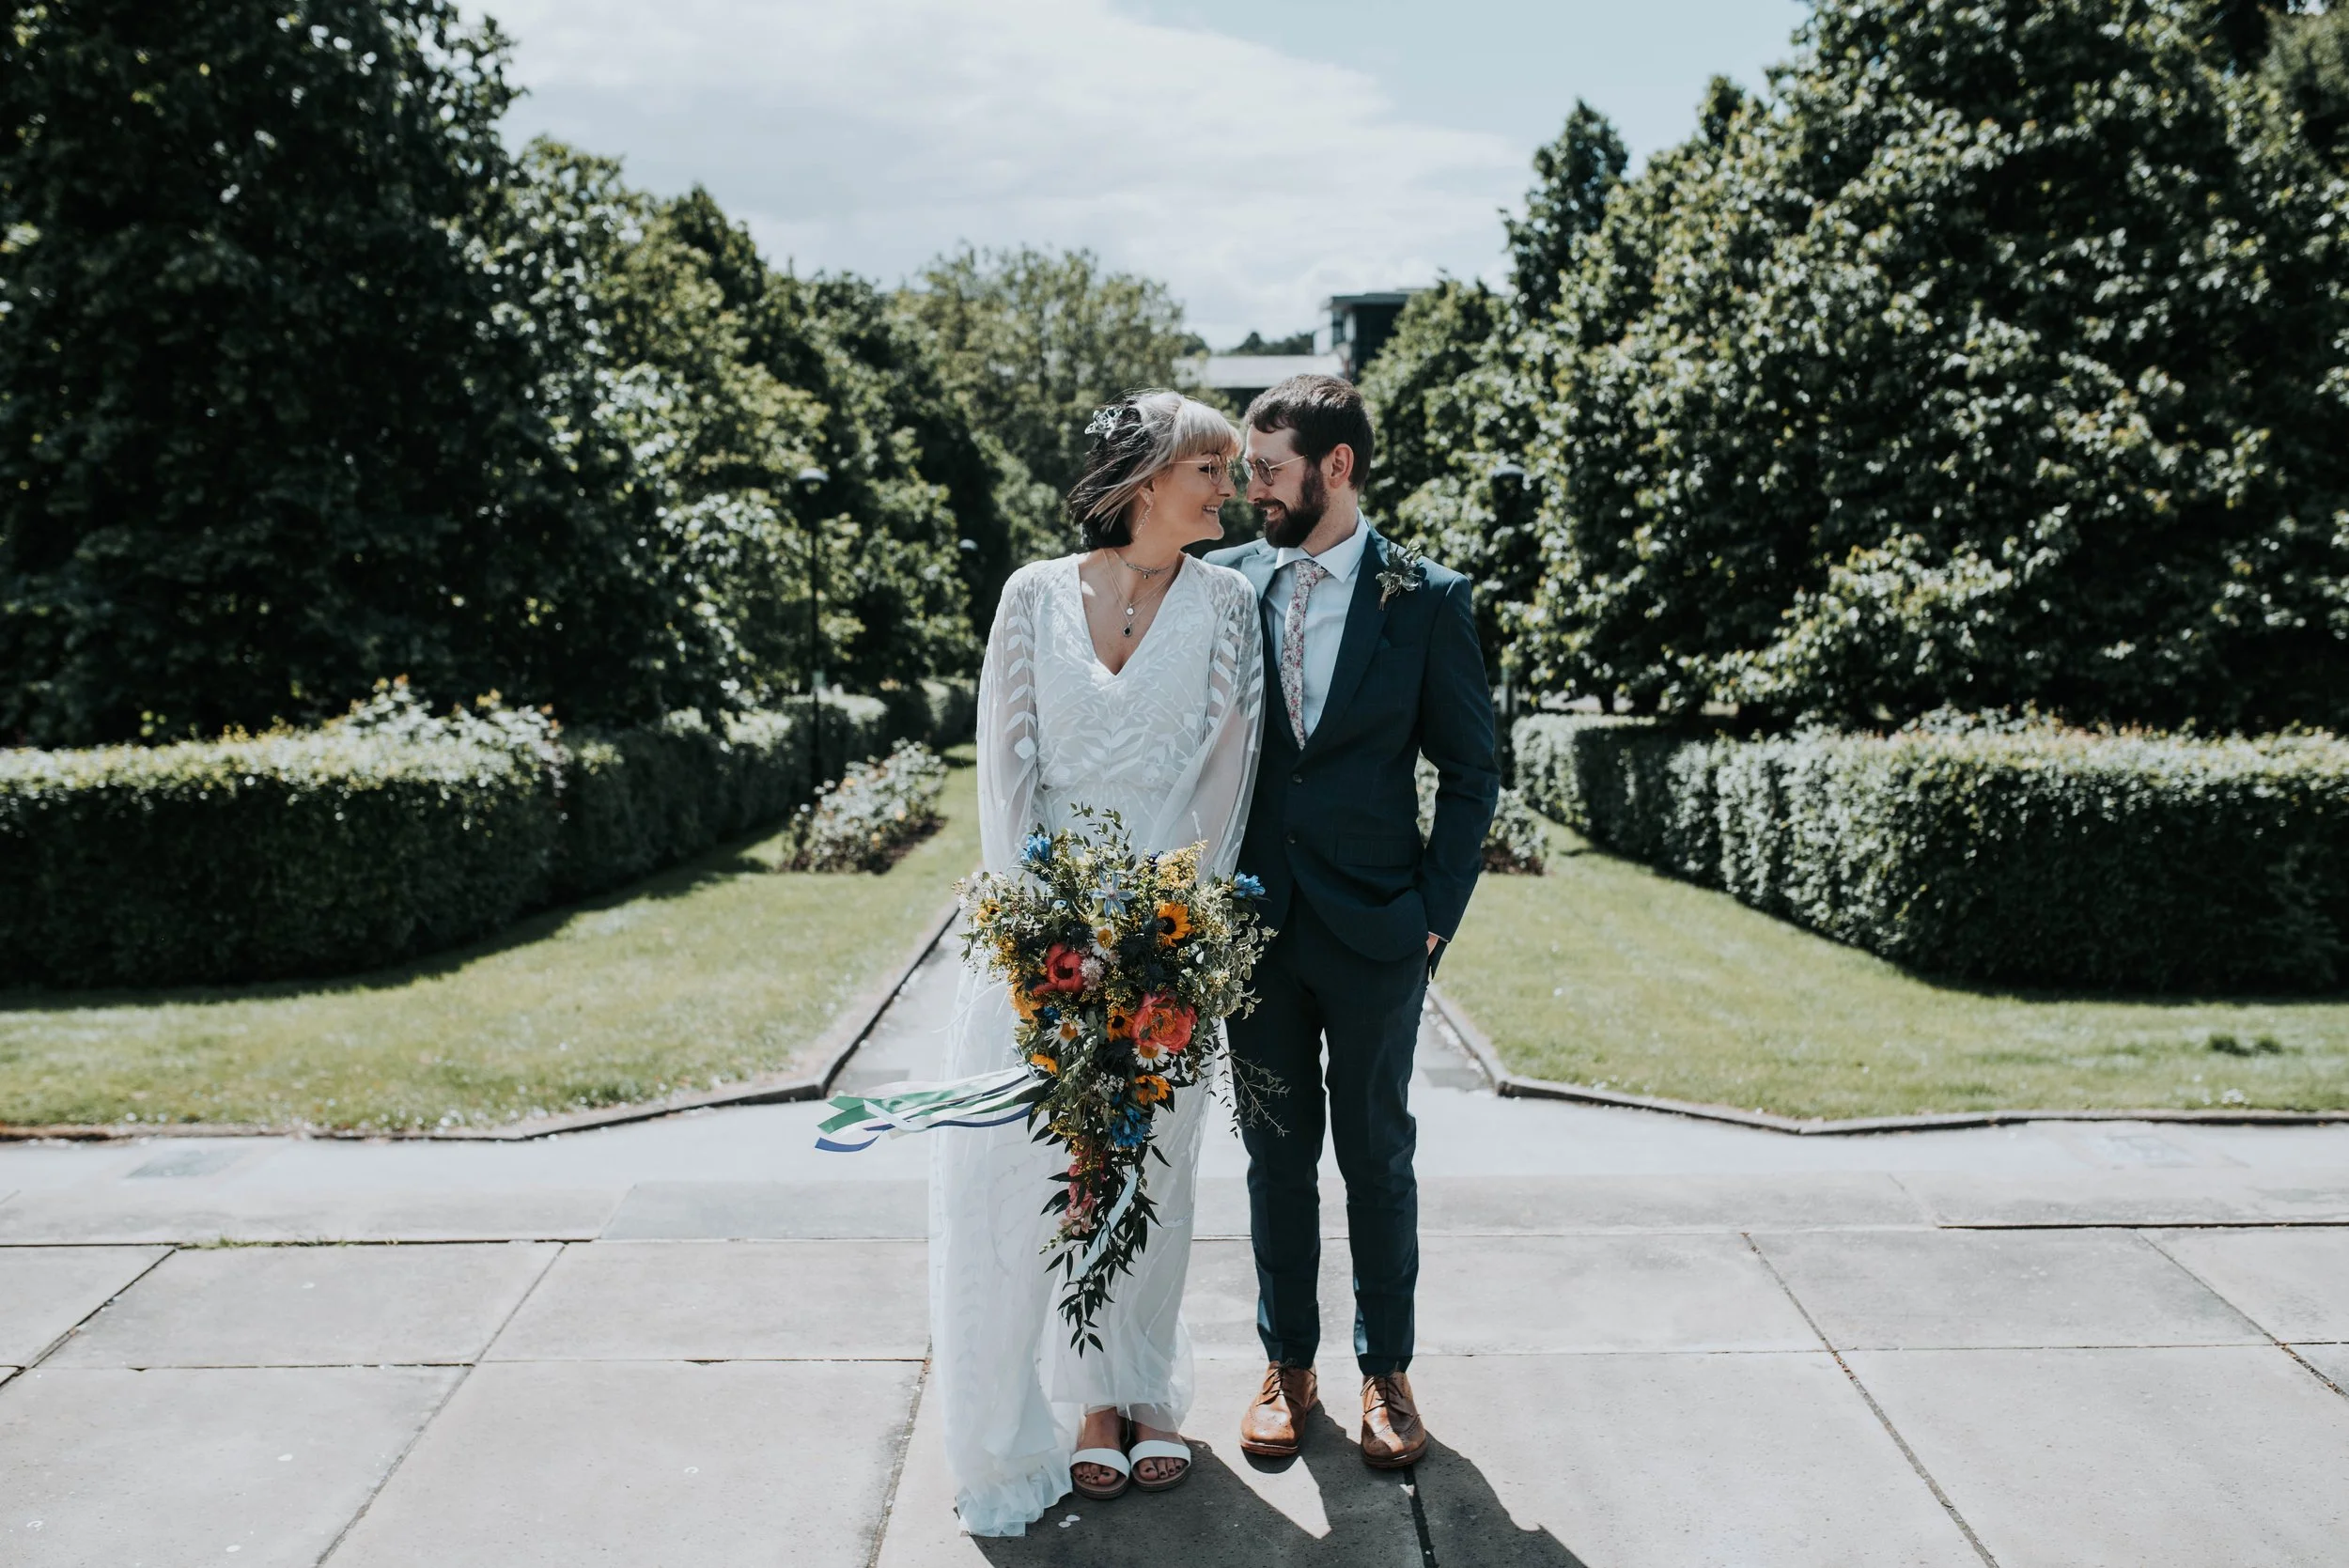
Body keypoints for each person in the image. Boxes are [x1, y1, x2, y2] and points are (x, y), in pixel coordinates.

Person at [931, 390, 1266, 1535]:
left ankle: (1138, 1390)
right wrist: (1040, 938)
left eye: (1227, 472)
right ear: (1143, 481)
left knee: (1152, 1176)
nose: (1227, 489)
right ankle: (1073, 1410)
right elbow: (1004, 772)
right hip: (1045, 944)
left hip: (1167, 942)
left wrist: (1178, 935)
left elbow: (1230, 775)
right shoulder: (1031, 596)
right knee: (1037, 1181)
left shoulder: (1226, 605)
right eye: (1208, 471)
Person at [1206, 374, 1500, 1470]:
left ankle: (1388, 1371)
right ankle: (1288, 1366)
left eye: (1269, 471)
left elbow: (1472, 770)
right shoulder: (1223, 583)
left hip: (1379, 933)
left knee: (1376, 1155)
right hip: (1254, 932)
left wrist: (1432, 918)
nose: (1252, 492)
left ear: (1337, 467)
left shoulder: (1424, 598)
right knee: (1274, 1160)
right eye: (1246, 471)